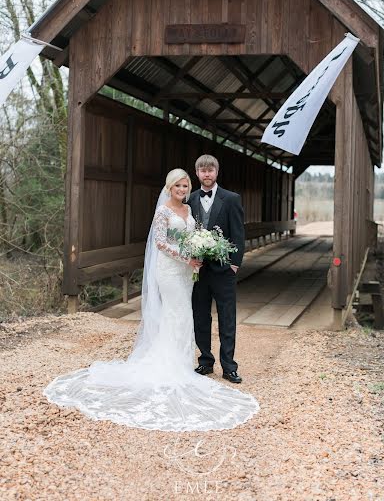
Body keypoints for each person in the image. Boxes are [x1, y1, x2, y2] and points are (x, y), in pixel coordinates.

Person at [43, 168, 259, 432]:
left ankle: (181, 363)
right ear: (169, 188)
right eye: (177, 186)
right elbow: (160, 243)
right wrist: (186, 258)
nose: (181, 190)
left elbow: (190, 237)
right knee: (175, 313)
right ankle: (168, 366)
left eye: (184, 186)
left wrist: (197, 252)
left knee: (184, 316)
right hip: (169, 271)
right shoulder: (163, 212)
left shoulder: (189, 211)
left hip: (185, 271)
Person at [188, 155, 245, 384]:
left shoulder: (231, 199)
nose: (207, 174)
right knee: (201, 317)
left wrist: (234, 263)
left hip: (224, 271)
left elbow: (239, 234)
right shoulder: (190, 200)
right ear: (197, 173)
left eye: (210, 170)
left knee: (227, 318)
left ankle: (229, 367)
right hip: (199, 271)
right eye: (202, 170)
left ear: (217, 172)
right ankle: (205, 362)